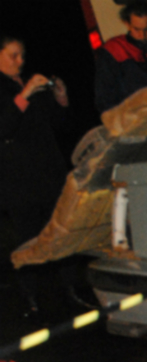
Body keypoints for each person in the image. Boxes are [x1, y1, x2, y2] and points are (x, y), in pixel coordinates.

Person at [0, 35, 69, 314]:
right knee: (27, 237)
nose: (20, 61)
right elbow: (4, 127)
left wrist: (61, 96)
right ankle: (30, 298)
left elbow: (59, 124)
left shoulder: (29, 84)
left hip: (49, 171)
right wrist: (24, 94)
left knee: (60, 231)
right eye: (13, 55)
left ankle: (70, 289)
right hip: (18, 179)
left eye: (22, 55)